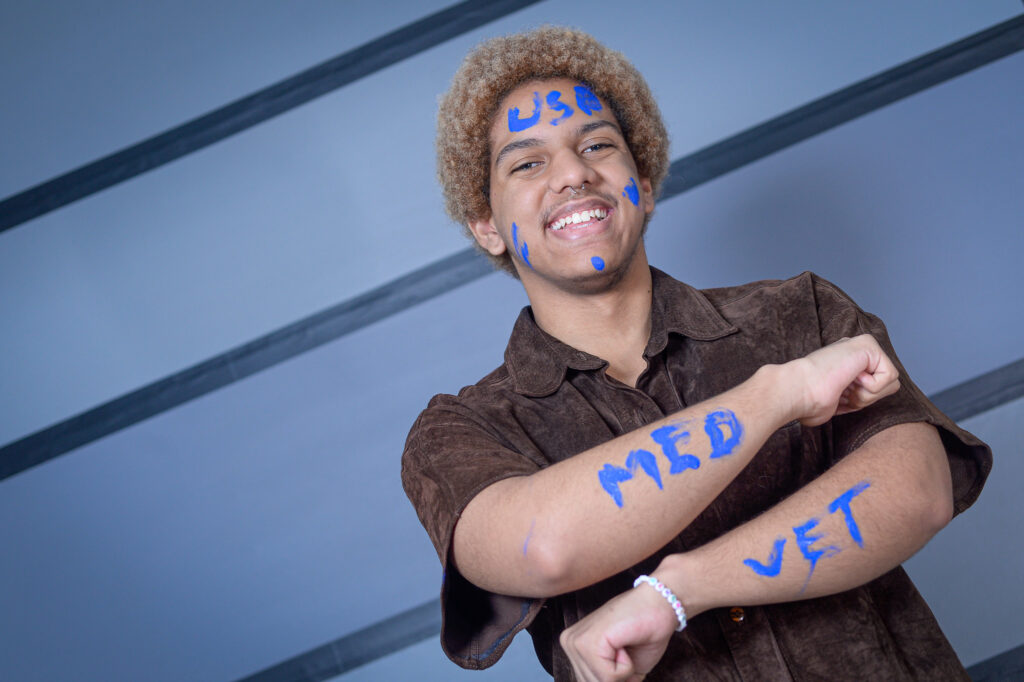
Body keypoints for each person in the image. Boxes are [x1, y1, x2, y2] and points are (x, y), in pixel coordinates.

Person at [401, 26, 991, 681]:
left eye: (597, 145)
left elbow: (918, 492)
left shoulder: (802, 312)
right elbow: (543, 548)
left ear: (643, 182)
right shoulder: (459, 432)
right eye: (527, 163)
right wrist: (779, 395)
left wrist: (678, 590)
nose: (573, 173)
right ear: (487, 225)